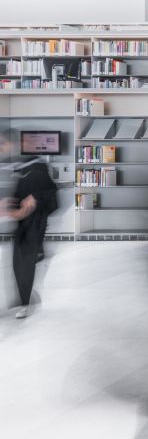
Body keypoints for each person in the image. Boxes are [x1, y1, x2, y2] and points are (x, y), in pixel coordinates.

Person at [1, 134, 58, 319]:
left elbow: (50, 193)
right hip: (20, 224)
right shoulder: (14, 165)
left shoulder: (35, 164)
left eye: (2, 144)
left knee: (24, 262)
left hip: (34, 222)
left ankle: (25, 302)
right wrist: (9, 205)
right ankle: (25, 300)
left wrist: (34, 197)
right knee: (19, 263)